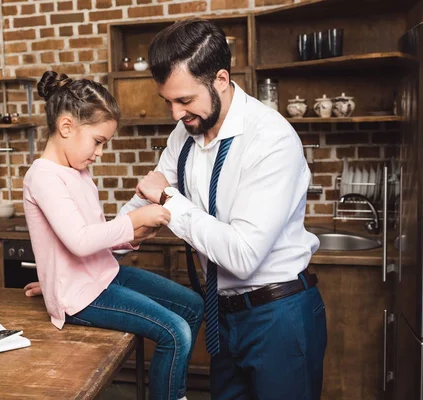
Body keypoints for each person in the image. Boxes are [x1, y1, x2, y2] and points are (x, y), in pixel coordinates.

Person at [118, 19, 328, 399]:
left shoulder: (271, 140)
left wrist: (168, 200)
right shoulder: (185, 132)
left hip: (279, 316)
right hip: (224, 317)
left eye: (184, 100)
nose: (175, 114)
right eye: (168, 101)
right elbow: (139, 207)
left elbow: (243, 255)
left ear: (220, 79)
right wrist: (72, 266)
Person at [23, 70, 204, 400]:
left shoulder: (77, 171)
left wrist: (134, 234)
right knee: (175, 332)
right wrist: (134, 217)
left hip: (104, 275)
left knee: (192, 305)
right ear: (66, 127)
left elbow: (94, 234)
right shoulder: (43, 176)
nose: (99, 153)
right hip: (80, 297)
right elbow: (79, 240)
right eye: (98, 142)